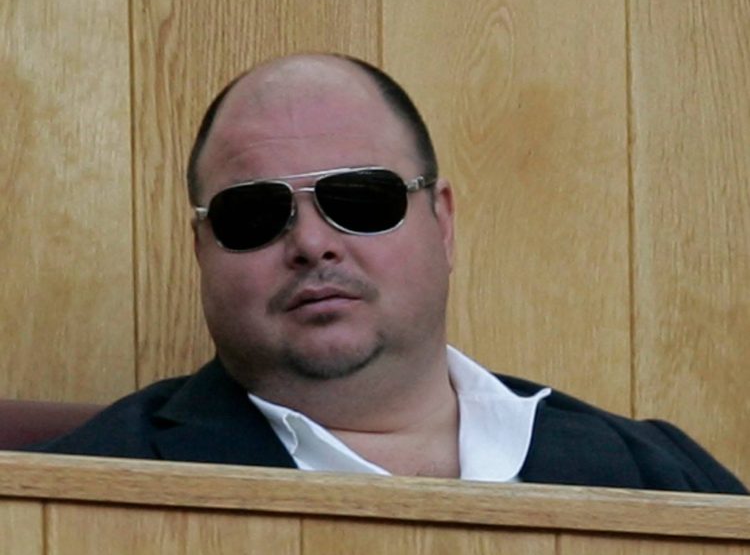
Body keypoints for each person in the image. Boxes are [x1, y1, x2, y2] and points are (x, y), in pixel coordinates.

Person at [33, 53, 746, 493]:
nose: (312, 242)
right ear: (201, 248)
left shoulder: (667, 480)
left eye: (359, 200)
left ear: (443, 221)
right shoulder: (78, 491)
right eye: (254, 212)